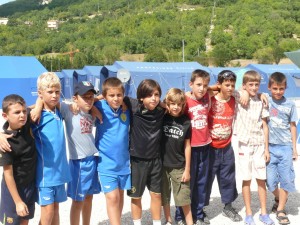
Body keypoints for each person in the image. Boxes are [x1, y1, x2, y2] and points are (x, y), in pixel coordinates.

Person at [234, 70, 274, 225]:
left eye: (257, 84)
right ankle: (249, 212)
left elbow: (265, 126)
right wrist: (242, 91)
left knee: (261, 179)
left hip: (259, 145)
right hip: (244, 144)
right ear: (244, 85)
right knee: (246, 179)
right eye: (250, 84)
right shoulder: (238, 96)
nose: (254, 87)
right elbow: (222, 88)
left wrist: (266, 148)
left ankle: (264, 212)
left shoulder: (261, 100)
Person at [31, 72, 71, 225]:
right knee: (47, 212)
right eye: (50, 92)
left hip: (60, 173)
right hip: (45, 174)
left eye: (57, 92)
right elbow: (15, 120)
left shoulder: (59, 111)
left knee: (55, 210)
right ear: (40, 93)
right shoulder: (36, 115)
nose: (54, 95)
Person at [175, 69, 214, 225]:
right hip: (189, 147)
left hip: (205, 145)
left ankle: (198, 213)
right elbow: (169, 103)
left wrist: (209, 88)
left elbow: (216, 88)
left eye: (205, 85)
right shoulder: (184, 100)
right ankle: (180, 215)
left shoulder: (206, 96)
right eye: (198, 85)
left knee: (201, 182)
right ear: (190, 84)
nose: (201, 88)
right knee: (186, 183)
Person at [60, 81, 101, 225]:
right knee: (78, 201)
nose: (89, 100)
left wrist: (93, 102)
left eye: (91, 96)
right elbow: (48, 101)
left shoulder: (91, 111)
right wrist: (38, 105)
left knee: (89, 198)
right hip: (78, 162)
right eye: (85, 97)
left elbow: (103, 97)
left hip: (92, 159)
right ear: (75, 98)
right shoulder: (69, 110)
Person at [126, 79, 165, 225]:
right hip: (137, 160)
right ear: (141, 97)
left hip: (156, 160)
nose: (154, 98)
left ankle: (156, 222)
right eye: (149, 95)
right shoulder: (134, 106)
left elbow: (181, 97)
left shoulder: (162, 111)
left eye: (156, 95)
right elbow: (111, 93)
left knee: (156, 194)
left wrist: (163, 103)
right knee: (136, 196)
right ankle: (137, 223)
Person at [205, 70, 242, 222]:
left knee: (228, 177)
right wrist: (213, 87)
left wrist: (262, 95)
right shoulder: (209, 99)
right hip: (210, 147)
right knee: (206, 178)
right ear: (219, 85)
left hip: (226, 146)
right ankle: (200, 208)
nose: (230, 88)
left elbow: (251, 94)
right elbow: (194, 91)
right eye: (227, 85)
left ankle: (228, 206)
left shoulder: (235, 99)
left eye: (232, 85)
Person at [94, 77, 131, 225]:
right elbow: (83, 103)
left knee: (120, 196)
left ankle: (117, 221)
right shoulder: (99, 106)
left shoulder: (126, 108)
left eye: (119, 95)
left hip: (123, 163)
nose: (116, 99)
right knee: (112, 197)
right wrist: (95, 104)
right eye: (111, 95)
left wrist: (125, 102)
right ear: (105, 95)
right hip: (106, 163)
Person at [266, 72, 297, 225]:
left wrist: (294, 148)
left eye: (281, 89)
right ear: (269, 88)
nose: (278, 92)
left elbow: (293, 126)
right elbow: (250, 91)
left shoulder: (290, 105)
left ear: (285, 88)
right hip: (270, 147)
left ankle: (281, 209)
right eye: (275, 88)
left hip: (285, 148)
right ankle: (279, 197)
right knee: (270, 182)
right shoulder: (265, 101)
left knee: (285, 179)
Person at [0, 94, 37, 225]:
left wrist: (33, 108)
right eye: (17, 112)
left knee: (24, 220)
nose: (22, 115)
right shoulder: (5, 142)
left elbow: (40, 100)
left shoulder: (25, 125)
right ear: (5, 116)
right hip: (12, 192)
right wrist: (18, 202)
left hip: (29, 187)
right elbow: (8, 174)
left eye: (24, 112)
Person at [161, 88, 193, 225]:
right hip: (162, 164)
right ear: (167, 103)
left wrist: (187, 169)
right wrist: (164, 106)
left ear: (183, 105)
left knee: (183, 198)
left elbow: (187, 146)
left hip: (179, 166)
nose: (175, 107)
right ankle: (168, 220)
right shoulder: (162, 116)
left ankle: (189, 222)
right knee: (165, 196)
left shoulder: (186, 121)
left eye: (179, 104)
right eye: (172, 104)